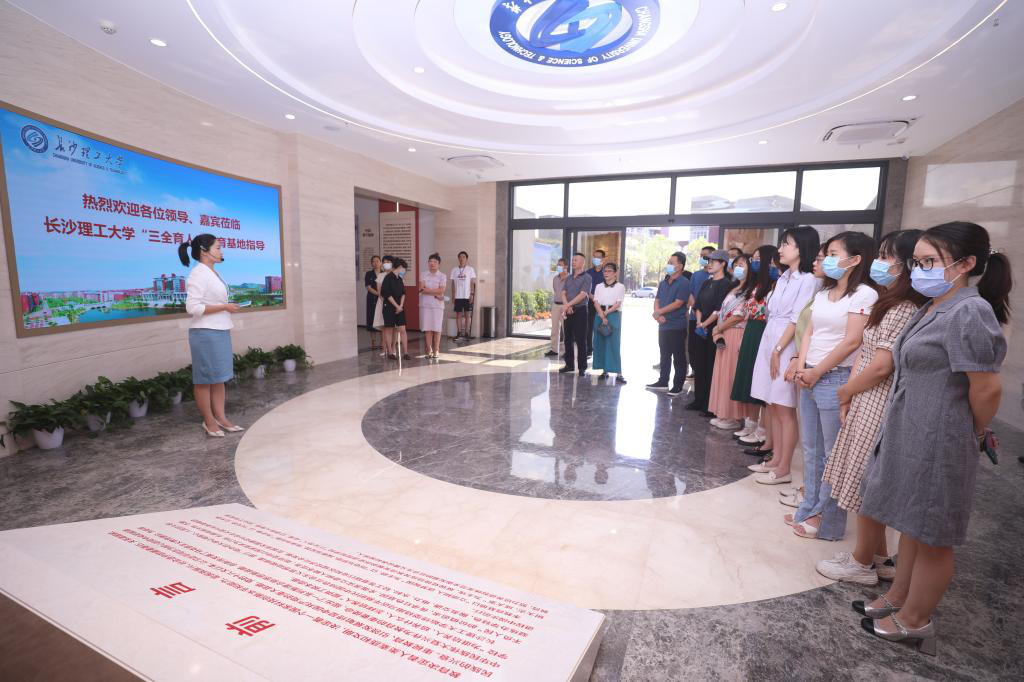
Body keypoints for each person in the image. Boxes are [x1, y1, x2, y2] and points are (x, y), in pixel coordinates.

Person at [857, 222, 1009, 655]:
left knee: (934, 534)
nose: (919, 270)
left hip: (941, 436)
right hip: (913, 429)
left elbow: (986, 388)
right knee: (912, 523)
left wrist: (971, 430)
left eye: (929, 262)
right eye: (917, 262)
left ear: (966, 264)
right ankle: (898, 597)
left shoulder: (969, 311)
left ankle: (916, 620)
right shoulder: (933, 305)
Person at [815, 230, 925, 584]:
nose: (879, 263)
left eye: (885, 256)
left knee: (866, 482)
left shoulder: (903, 308)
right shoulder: (891, 301)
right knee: (864, 477)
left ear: (905, 265)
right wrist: (851, 393)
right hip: (865, 396)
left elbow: (880, 366)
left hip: (875, 399)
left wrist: (846, 391)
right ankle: (879, 556)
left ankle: (861, 563)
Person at [785, 232, 879, 538]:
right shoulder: (824, 293)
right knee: (811, 449)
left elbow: (853, 341)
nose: (825, 259)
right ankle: (808, 508)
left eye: (833, 254)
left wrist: (817, 372)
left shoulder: (864, 294)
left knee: (832, 455)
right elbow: (809, 332)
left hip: (835, 377)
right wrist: (802, 369)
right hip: (810, 375)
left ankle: (827, 520)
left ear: (854, 260)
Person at [749, 226, 821, 485]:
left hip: (786, 344)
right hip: (771, 337)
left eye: (786, 244)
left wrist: (778, 350)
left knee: (784, 407)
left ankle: (784, 468)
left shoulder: (808, 280)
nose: (780, 249)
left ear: (801, 248)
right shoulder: (784, 278)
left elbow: (796, 319)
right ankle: (776, 459)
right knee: (772, 403)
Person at [179, 234, 243, 438]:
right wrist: (224, 307)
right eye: (218, 247)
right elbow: (192, 307)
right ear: (204, 251)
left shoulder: (213, 272)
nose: (221, 251)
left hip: (220, 329)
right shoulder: (198, 274)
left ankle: (221, 418)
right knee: (205, 380)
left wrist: (225, 307)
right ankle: (209, 421)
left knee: (219, 378)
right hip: (205, 333)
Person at [730, 246, 779, 447]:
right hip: (751, 329)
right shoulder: (756, 283)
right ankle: (750, 424)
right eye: (753, 258)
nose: (754, 262)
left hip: (763, 331)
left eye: (759, 258)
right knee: (748, 379)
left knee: (761, 381)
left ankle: (762, 429)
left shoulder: (775, 284)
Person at [708, 253, 755, 431]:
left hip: (736, 333)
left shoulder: (750, 289)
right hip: (725, 333)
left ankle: (733, 417)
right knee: (722, 374)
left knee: (731, 375)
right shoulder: (734, 287)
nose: (737, 268)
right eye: (735, 265)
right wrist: (719, 329)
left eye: (742, 264)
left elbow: (739, 316)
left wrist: (719, 327)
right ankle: (723, 413)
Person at [690, 250, 735, 413]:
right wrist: (699, 322)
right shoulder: (706, 282)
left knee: (710, 366)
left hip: (715, 329)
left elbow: (719, 309)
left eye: (713, 261)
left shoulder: (726, 284)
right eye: (708, 261)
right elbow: (698, 305)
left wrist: (705, 324)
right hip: (701, 327)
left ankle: (709, 405)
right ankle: (698, 400)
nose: (709, 264)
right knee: (699, 364)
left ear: (723, 264)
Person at [646, 252, 691, 396]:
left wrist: (659, 312)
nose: (668, 265)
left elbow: (678, 303)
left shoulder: (684, 282)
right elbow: (657, 299)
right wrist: (657, 314)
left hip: (677, 325)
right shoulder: (663, 282)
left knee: (678, 357)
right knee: (664, 355)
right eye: (668, 262)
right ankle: (663, 381)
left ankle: (677, 385)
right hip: (663, 325)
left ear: (680, 266)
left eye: (672, 262)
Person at [591, 262, 626, 383]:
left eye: (609, 271)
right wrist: (601, 314)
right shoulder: (599, 286)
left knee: (614, 343)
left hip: (613, 314)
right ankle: (604, 370)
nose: (606, 273)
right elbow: (595, 302)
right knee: (600, 343)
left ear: (615, 273)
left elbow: (618, 303)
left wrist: (606, 314)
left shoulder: (620, 287)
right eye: (605, 271)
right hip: (599, 314)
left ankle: (618, 373)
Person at [559, 253, 592, 376]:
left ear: (582, 262)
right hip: (568, 310)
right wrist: (567, 306)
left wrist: (568, 305)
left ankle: (582, 367)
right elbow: (563, 293)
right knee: (567, 339)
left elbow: (583, 294)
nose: (573, 262)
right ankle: (569, 365)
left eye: (576, 260)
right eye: (572, 260)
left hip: (580, 310)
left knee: (580, 339)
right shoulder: (568, 278)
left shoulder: (587, 277)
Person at [686, 245, 716, 376]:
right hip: (694, 317)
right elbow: (690, 293)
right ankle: (695, 370)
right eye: (701, 256)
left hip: (710, 319)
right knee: (692, 346)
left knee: (706, 348)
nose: (702, 258)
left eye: (705, 256)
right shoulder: (696, 275)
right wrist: (695, 309)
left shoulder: (715, 276)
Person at [419, 253, 447, 359]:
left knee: (437, 328)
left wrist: (428, 290)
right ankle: (429, 349)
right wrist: (435, 292)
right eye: (430, 261)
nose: (432, 263)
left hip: (437, 306)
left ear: (439, 264)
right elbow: (421, 289)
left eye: (435, 262)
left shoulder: (442, 276)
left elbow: (442, 290)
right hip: (425, 305)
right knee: (428, 328)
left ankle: (436, 350)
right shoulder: (423, 274)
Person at [382, 257, 411, 360]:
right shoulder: (388, 278)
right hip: (389, 307)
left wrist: (401, 306)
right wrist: (396, 306)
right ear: (399, 267)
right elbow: (387, 294)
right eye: (404, 268)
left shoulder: (400, 279)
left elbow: (403, 293)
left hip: (400, 308)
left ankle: (406, 352)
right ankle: (390, 352)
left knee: (402, 329)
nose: (404, 270)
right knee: (389, 329)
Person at [450, 251, 476, 340]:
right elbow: (452, 284)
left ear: (466, 258)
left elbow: (472, 282)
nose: (462, 258)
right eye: (460, 257)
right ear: (458, 258)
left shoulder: (470, 269)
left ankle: (467, 333)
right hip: (458, 296)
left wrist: (472, 294)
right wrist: (453, 295)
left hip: (467, 296)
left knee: (467, 315)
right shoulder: (454, 270)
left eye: (463, 257)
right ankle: (459, 333)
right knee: (458, 315)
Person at [586, 249, 607, 357]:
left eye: (598, 257)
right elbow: (585, 288)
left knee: (601, 326)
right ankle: (589, 349)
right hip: (590, 302)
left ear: (603, 259)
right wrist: (592, 297)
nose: (595, 259)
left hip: (602, 303)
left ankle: (600, 349)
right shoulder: (588, 272)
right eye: (594, 256)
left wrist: (598, 299)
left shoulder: (606, 273)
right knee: (589, 326)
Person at [547, 258, 569, 358]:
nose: (558, 266)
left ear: (566, 266)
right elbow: (556, 290)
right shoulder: (555, 278)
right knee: (554, 329)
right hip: (555, 305)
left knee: (566, 329)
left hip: (565, 306)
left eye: (560, 265)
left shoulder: (570, 278)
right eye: (558, 264)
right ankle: (554, 350)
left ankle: (567, 351)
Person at [364, 255, 383, 350]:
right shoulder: (369, 274)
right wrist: (378, 294)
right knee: (371, 319)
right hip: (372, 299)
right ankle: (373, 342)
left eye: (377, 261)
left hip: (382, 299)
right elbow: (368, 287)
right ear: (371, 263)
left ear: (381, 262)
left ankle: (382, 341)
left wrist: (381, 295)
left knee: (381, 319)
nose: (375, 263)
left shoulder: (384, 273)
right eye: (373, 261)